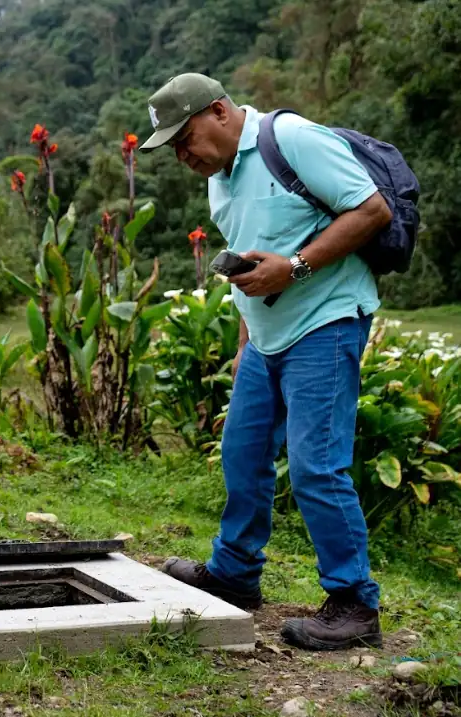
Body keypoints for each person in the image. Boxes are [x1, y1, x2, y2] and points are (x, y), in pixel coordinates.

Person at [139, 73, 392, 650]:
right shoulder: (220, 179)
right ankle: (235, 575)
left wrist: (295, 267)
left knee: (315, 466)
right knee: (242, 451)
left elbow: (372, 211)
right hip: (264, 338)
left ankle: (354, 603)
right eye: (173, 148)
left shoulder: (292, 139)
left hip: (325, 324)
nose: (183, 155)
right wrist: (244, 340)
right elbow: (248, 260)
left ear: (220, 112)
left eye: (186, 139)